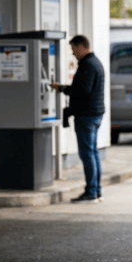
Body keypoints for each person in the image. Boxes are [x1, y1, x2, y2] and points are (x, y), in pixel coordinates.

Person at [50, 35, 105, 204]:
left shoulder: (88, 65)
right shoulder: (96, 63)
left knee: (87, 154)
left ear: (81, 46)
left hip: (86, 115)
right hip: (94, 114)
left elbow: (82, 90)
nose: (73, 53)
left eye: (73, 49)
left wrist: (63, 88)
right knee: (93, 153)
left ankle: (91, 191)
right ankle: (96, 191)